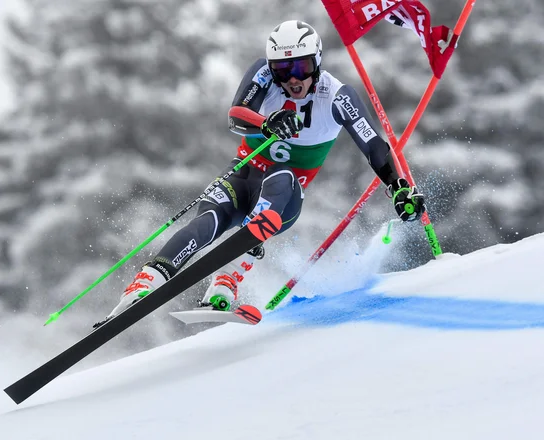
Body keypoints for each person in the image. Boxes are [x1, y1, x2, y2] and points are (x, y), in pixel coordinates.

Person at [105, 19, 425, 319]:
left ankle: (228, 277)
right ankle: (146, 281)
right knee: (209, 219)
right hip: (244, 175)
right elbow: (236, 115)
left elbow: (373, 146)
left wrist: (397, 187)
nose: (293, 79)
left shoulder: (337, 96)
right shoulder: (263, 75)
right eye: (283, 70)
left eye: (302, 66)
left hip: (284, 197)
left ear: (318, 62)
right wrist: (266, 121)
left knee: (283, 176)